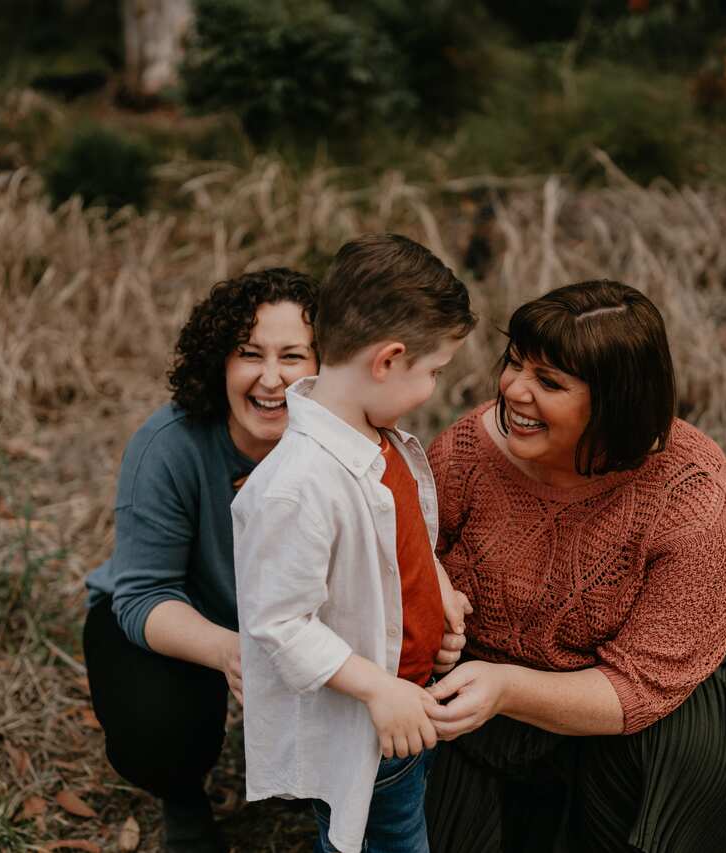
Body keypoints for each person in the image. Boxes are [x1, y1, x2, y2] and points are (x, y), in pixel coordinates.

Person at [422, 280, 726, 853]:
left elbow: (640, 685)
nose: (514, 390)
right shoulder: (466, 452)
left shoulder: (693, 498)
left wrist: (508, 687)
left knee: (700, 751)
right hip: (479, 692)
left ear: (615, 401)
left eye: (549, 382)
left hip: (632, 710)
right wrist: (432, 582)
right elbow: (405, 555)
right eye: (514, 363)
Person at [233, 234, 478, 853]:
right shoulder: (297, 486)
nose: (433, 389)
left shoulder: (377, 438)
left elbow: (402, 538)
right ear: (388, 360)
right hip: (367, 725)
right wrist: (378, 689)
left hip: (407, 705)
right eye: (433, 372)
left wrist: (440, 591)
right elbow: (282, 623)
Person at [82, 268, 319, 853]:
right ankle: (182, 797)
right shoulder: (170, 445)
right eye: (248, 354)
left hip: (298, 621)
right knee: (156, 726)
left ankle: (311, 778)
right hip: (183, 618)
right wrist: (230, 652)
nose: (270, 378)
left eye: (292, 356)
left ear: (325, 367)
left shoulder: (345, 442)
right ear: (219, 361)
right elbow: (141, 596)